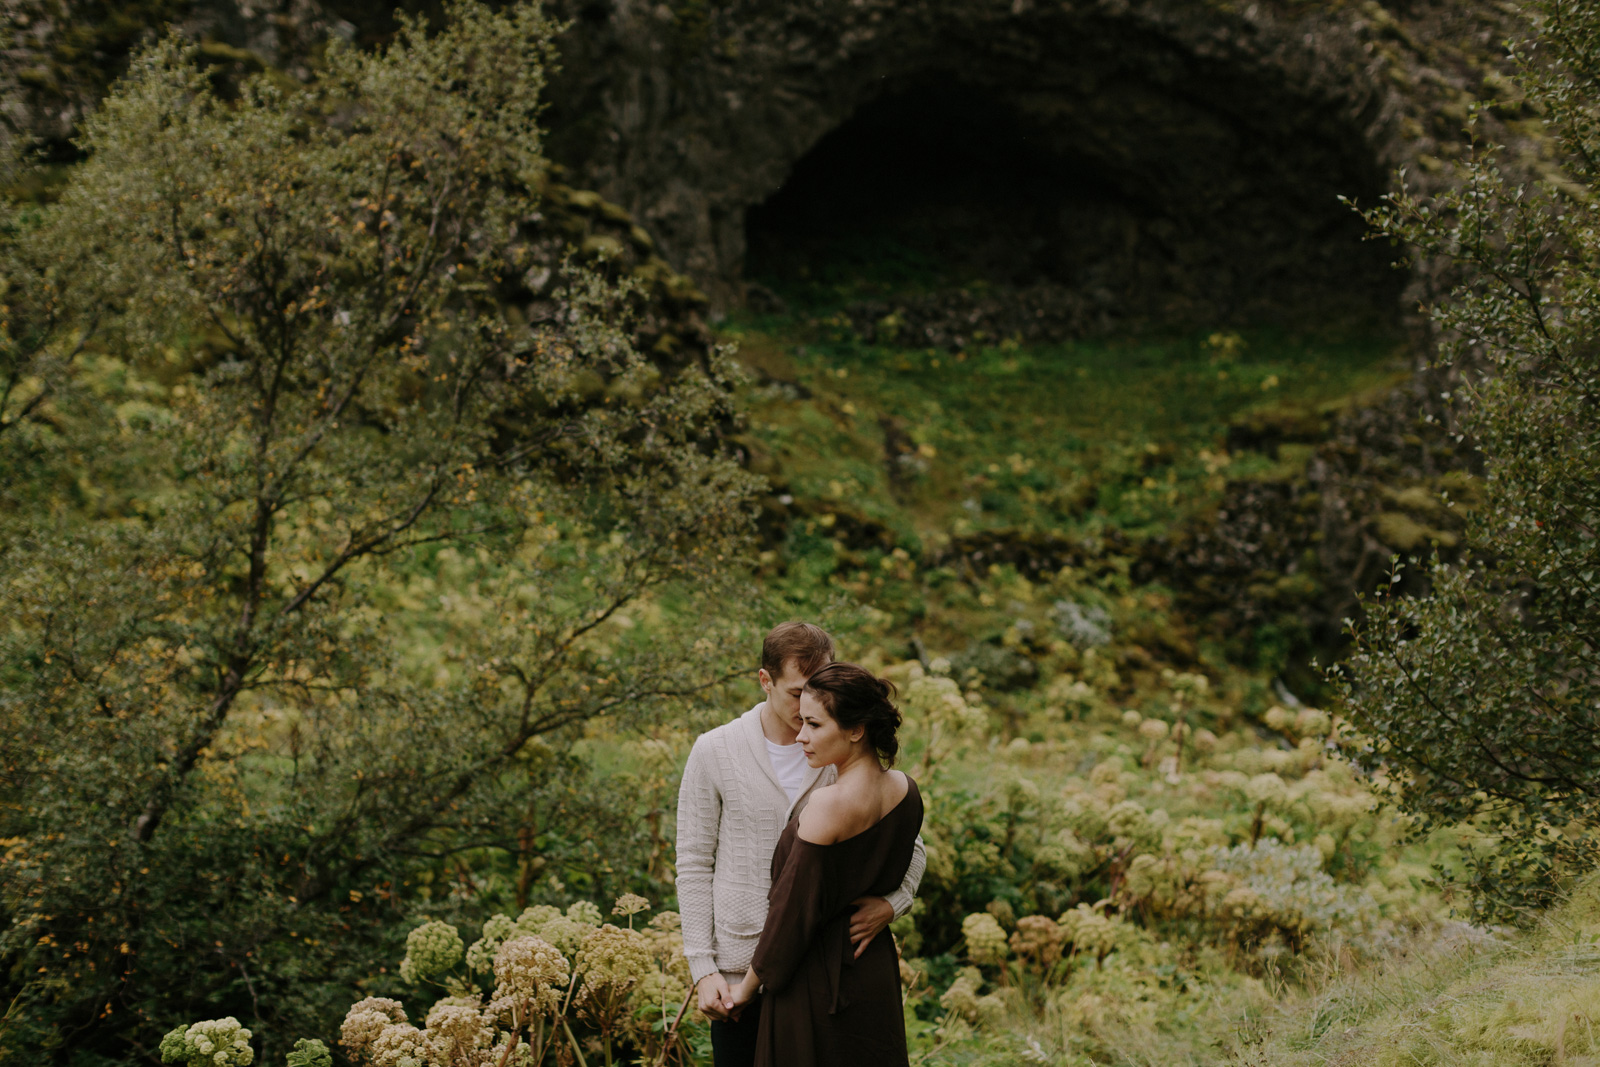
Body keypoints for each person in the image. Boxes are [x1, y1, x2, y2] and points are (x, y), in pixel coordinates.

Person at [676, 624, 926, 1067]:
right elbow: (694, 863)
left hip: (823, 970)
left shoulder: (841, 747)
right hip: (740, 964)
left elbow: (910, 844)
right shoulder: (715, 750)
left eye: (818, 689)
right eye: (796, 693)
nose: (807, 704)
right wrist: (704, 967)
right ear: (765, 681)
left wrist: (894, 903)